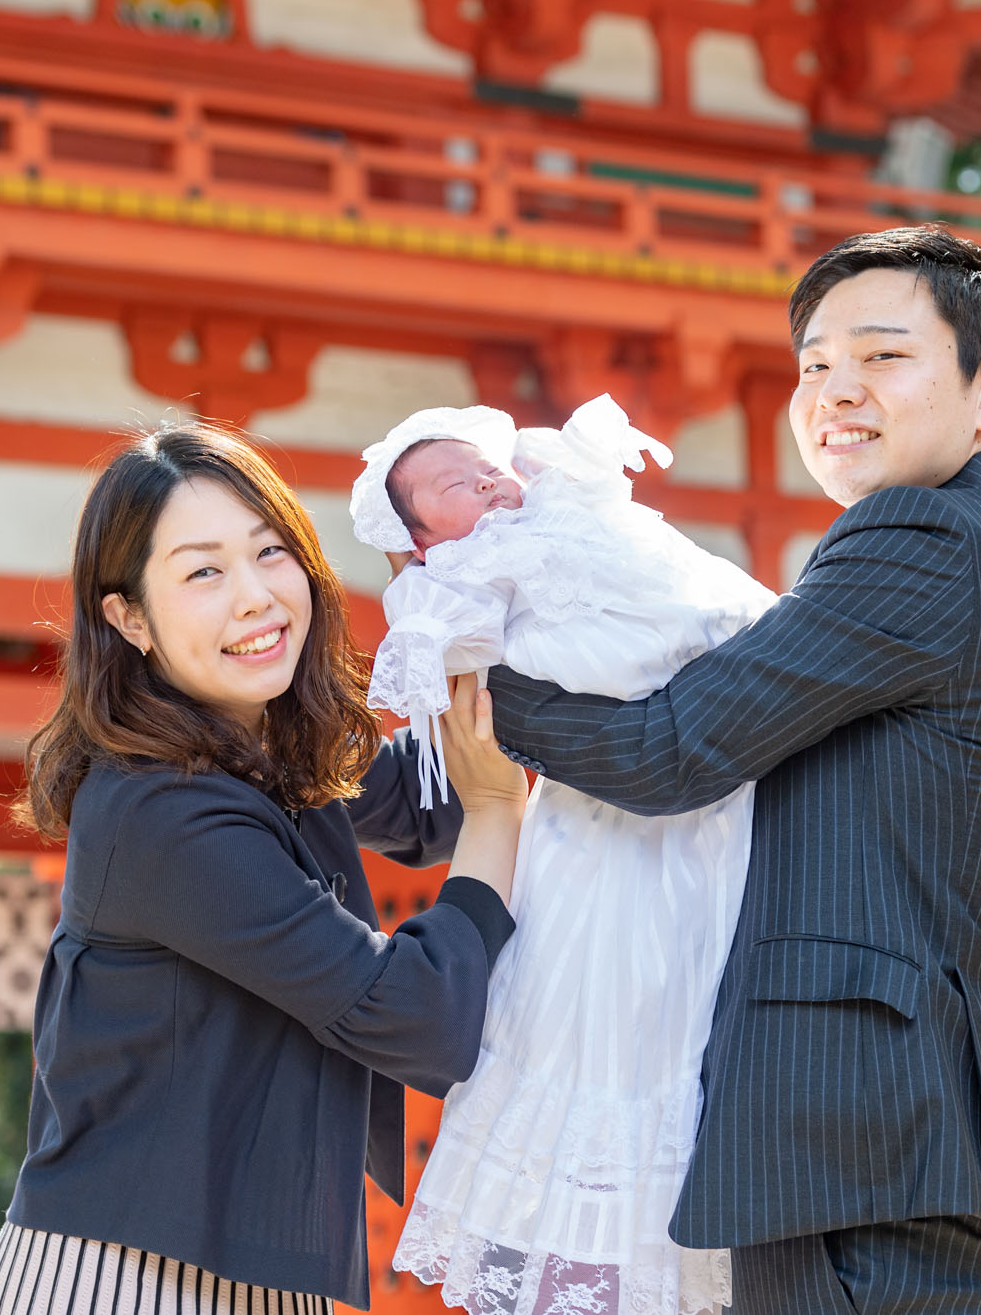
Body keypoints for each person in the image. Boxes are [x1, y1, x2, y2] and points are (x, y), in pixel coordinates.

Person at [473, 226, 981, 1315]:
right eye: (812, 365)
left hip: (860, 1144)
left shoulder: (921, 534)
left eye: (882, 356)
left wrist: (468, 690)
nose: (834, 388)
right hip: (907, 1138)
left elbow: (669, 751)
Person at [0, 421, 530, 1315]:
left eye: (271, 553)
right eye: (203, 571)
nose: (257, 598)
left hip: (243, 1280)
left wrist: (456, 610)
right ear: (129, 617)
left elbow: (436, 800)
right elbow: (414, 1014)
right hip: (122, 1281)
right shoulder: (159, 807)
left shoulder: (267, 742)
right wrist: (500, 812)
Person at [349, 394, 777, 1315]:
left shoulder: (555, 500)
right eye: (453, 484)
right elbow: (450, 686)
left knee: (700, 993)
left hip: (715, 770)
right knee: (607, 1008)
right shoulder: (454, 575)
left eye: (485, 464)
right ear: (421, 539)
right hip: (599, 806)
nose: (487, 480)